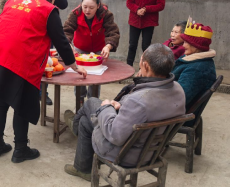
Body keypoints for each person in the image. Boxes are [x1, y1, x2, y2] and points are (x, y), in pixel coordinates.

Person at [0, 0, 87, 163]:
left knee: (0, 103)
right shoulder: (48, 9)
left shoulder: (12, 2)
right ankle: (20, 149)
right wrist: (73, 65)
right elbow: (60, 40)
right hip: (18, 60)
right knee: (20, 105)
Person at [63, 44, 185, 182]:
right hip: (154, 149)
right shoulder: (179, 89)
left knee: (91, 102)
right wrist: (122, 105)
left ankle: (74, 126)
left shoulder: (139, 101)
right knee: (85, 122)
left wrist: (107, 107)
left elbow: (115, 135)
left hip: (126, 153)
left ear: (146, 66)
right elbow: (149, 108)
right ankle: (81, 166)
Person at [15, 0, 68, 105]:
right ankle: (31, 91)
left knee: (46, 63)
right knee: (30, 64)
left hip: (46, 31)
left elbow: (64, 4)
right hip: (30, 32)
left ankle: (43, 92)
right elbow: (18, 6)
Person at [63, 0, 120, 101]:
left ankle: (93, 102)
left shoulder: (105, 14)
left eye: (91, 8)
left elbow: (113, 32)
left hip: (99, 49)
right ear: (81, 4)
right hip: (80, 49)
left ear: (98, 6)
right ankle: (79, 102)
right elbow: (66, 31)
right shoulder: (76, 14)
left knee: (95, 78)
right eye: (85, 7)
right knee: (80, 75)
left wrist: (108, 46)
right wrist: (68, 44)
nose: (87, 10)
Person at [126, 0, 165, 66]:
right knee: (132, 45)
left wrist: (147, 9)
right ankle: (128, 67)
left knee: (146, 46)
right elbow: (129, 2)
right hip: (135, 21)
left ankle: (143, 69)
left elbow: (161, 5)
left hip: (149, 22)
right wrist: (137, 10)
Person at [172, 19, 216, 108]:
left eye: (186, 42)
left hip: (175, 116)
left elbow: (178, 100)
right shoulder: (190, 58)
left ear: (196, 45)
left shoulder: (197, 69)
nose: (183, 45)